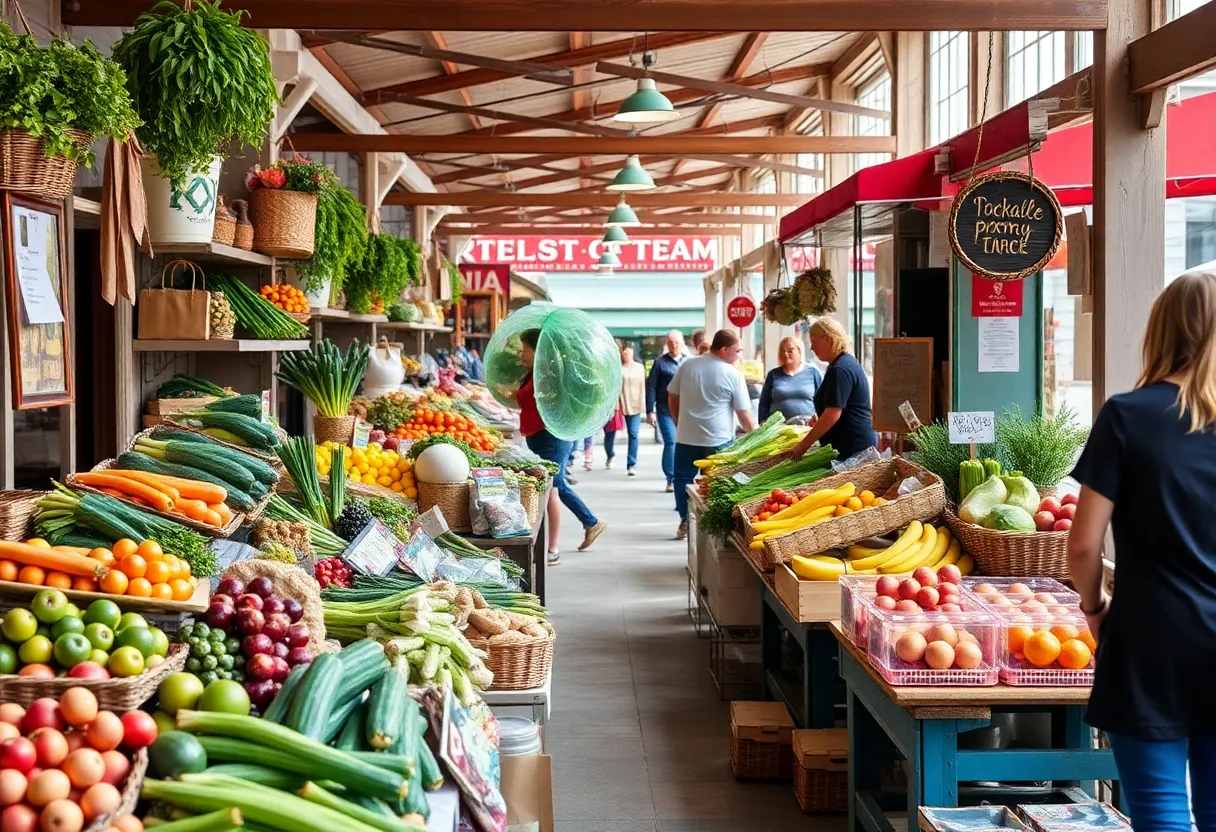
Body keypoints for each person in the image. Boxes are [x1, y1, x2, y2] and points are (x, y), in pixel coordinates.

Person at [1067, 268, 1216, 832]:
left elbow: (1082, 546)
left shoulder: (1128, 416)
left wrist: (1095, 609)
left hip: (1150, 641)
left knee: (1160, 813)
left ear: (1160, 332)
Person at [517, 329, 607, 565]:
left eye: (525, 349)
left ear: (539, 352)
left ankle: (554, 548)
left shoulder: (550, 376)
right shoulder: (531, 374)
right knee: (554, 486)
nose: (521, 353)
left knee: (553, 488)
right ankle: (590, 522)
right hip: (537, 436)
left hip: (552, 437)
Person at [668, 329, 756, 539]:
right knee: (718, 483)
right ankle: (714, 527)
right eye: (737, 350)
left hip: (686, 437)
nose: (739, 355)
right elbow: (743, 415)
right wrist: (756, 435)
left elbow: (672, 395)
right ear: (724, 350)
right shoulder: (733, 374)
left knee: (682, 478)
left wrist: (678, 421)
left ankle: (684, 520)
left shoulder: (688, 365)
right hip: (719, 441)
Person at [790, 317, 876, 462]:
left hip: (852, 449)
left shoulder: (839, 369)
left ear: (829, 339)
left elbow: (833, 413)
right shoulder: (844, 363)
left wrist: (803, 446)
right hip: (854, 446)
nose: (811, 348)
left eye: (814, 341)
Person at [646, 330, 687, 493]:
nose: (673, 345)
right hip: (664, 408)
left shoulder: (688, 362)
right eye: (670, 342)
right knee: (670, 441)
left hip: (685, 409)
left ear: (682, 343)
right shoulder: (660, 363)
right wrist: (650, 411)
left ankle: (683, 476)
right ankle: (670, 478)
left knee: (683, 443)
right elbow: (651, 387)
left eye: (676, 342)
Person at [759, 336, 823, 422]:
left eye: (790, 350)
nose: (785, 354)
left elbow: (823, 401)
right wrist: (762, 423)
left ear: (799, 351)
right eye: (783, 351)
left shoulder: (813, 373)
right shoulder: (773, 374)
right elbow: (764, 403)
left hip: (808, 427)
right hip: (779, 428)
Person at [605, 343, 646, 474]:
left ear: (633, 352)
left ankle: (631, 464)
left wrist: (645, 406)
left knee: (633, 434)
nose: (626, 354)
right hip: (619, 404)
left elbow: (643, 387)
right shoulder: (618, 369)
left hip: (635, 405)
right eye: (624, 352)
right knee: (610, 432)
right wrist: (614, 405)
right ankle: (610, 454)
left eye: (629, 351)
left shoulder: (640, 368)